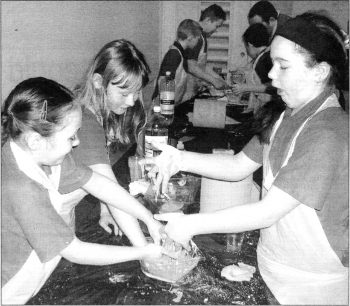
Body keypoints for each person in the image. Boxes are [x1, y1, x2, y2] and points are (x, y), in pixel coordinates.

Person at [143, 12, 349, 305]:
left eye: (283, 66)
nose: (271, 74)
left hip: (310, 285)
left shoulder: (327, 131)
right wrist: (181, 158)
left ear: (320, 71)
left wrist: (191, 225)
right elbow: (239, 166)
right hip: (276, 264)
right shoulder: (287, 115)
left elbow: (269, 211)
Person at [1, 77, 170, 304]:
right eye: (71, 136)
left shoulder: (45, 155)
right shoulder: (22, 189)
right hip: (10, 289)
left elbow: (99, 184)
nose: (77, 142)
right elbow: (76, 251)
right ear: (35, 141)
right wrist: (144, 252)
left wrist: (148, 218)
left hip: (36, 275)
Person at [67, 39, 152, 243]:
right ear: (98, 82)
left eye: (136, 92)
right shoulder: (84, 122)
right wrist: (144, 248)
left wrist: (105, 210)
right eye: (124, 93)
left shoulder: (97, 108)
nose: (131, 101)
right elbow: (110, 190)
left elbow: (100, 169)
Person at [182, 4, 229, 101]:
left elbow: (201, 65)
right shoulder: (196, 36)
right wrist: (214, 81)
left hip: (189, 91)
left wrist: (219, 79)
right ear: (208, 20)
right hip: (182, 90)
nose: (216, 30)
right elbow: (191, 67)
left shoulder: (202, 37)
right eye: (217, 26)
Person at [152, 19, 202, 106]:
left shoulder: (180, 53)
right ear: (190, 39)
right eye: (197, 38)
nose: (198, 42)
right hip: (162, 109)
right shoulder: (174, 55)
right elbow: (163, 85)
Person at [231, 23, 277, 113]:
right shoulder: (265, 55)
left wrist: (245, 88)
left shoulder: (264, 59)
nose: (247, 51)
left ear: (250, 44)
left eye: (246, 47)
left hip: (269, 109)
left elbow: (274, 86)